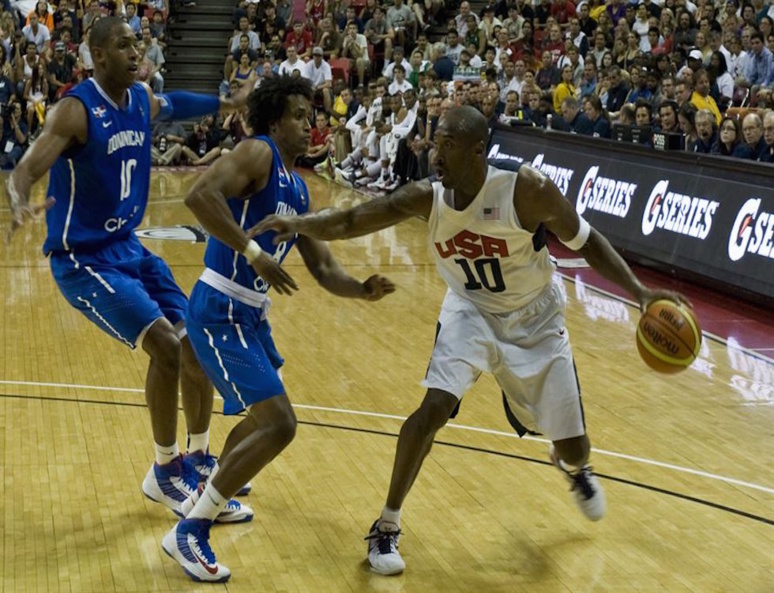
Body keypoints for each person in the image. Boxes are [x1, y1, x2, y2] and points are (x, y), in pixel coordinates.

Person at [252, 105, 688, 576]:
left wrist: (640, 293)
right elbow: (352, 220)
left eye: (448, 145)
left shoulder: (526, 190)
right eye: (435, 142)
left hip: (536, 319)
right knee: (433, 408)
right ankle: (386, 524)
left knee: (575, 448)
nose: (435, 153)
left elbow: (587, 240)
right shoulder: (427, 196)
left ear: (478, 150)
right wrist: (298, 225)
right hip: (470, 311)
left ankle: (574, 467)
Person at [4, 17, 255, 522]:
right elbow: (28, 167)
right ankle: (164, 471)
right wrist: (18, 200)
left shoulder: (140, 98)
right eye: (123, 45)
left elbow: (174, 103)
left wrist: (226, 104)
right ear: (97, 55)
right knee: (166, 345)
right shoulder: (76, 110)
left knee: (196, 341)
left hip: (128, 247)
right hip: (84, 260)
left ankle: (199, 462)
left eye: (136, 43)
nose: (135, 51)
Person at [161, 75, 395, 583]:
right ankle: (190, 530)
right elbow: (199, 195)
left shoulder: (299, 188)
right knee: (280, 424)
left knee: (262, 421)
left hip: (251, 314)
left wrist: (362, 290)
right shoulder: (258, 152)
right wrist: (253, 251)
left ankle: (207, 494)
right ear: (274, 120)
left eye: (312, 117)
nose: (310, 126)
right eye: (299, 117)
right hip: (221, 303)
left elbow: (323, 268)